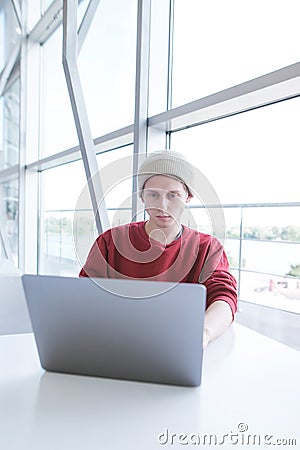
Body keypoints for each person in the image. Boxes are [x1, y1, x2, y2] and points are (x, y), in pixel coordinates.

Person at [79, 150, 237, 348]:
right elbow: (84, 295)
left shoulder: (208, 248)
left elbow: (224, 298)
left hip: (177, 346)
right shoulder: (110, 241)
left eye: (173, 195)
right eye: (153, 195)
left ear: (188, 196)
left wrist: (203, 333)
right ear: (142, 197)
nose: (162, 205)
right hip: (115, 344)